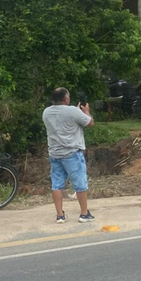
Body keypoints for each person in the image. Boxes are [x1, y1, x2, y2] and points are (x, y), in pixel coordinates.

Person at [42, 87, 95, 223]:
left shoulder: (46, 112)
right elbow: (90, 123)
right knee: (80, 184)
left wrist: (76, 111)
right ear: (66, 98)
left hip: (55, 153)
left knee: (57, 184)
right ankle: (84, 213)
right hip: (72, 153)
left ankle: (60, 215)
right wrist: (86, 112)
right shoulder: (72, 111)